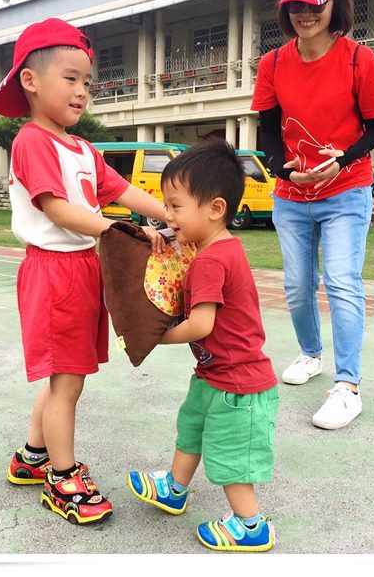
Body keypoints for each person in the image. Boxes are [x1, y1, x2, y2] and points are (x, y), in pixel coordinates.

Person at [0, 17, 168, 525]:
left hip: (84, 269)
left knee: (66, 374)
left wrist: (166, 213)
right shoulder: (32, 141)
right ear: (30, 80)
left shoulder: (83, 148)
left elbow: (119, 189)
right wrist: (111, 229)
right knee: (67, 382)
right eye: (70, 78)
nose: (82, 90)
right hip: (54, 271)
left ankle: (32, 457)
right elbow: (56, 208)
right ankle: (62, 478)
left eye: (87, 81)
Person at [251, 0, 374, 430]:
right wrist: (282, 168)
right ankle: (311, 354)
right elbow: (268, 130)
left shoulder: (358, 60)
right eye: (295, 5)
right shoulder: (273, 63)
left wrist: (343, 159)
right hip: (292, 193)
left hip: (346, 188)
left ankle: (347, 387)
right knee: (296, 285)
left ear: (336, 4)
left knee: (342, 281)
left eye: (314, 4)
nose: (304, 14)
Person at [126, 138, 279, 552]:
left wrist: (155, 336)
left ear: (214, 209)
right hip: (215, 374)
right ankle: (174, 488)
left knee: (230, 459)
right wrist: (166, 236)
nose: (167, 215)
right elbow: (179, 247)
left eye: (175, 206)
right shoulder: (213, 245)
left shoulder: (212, 260)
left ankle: (251, 526)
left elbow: (199, 324)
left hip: (238, 386)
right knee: (191, 428)